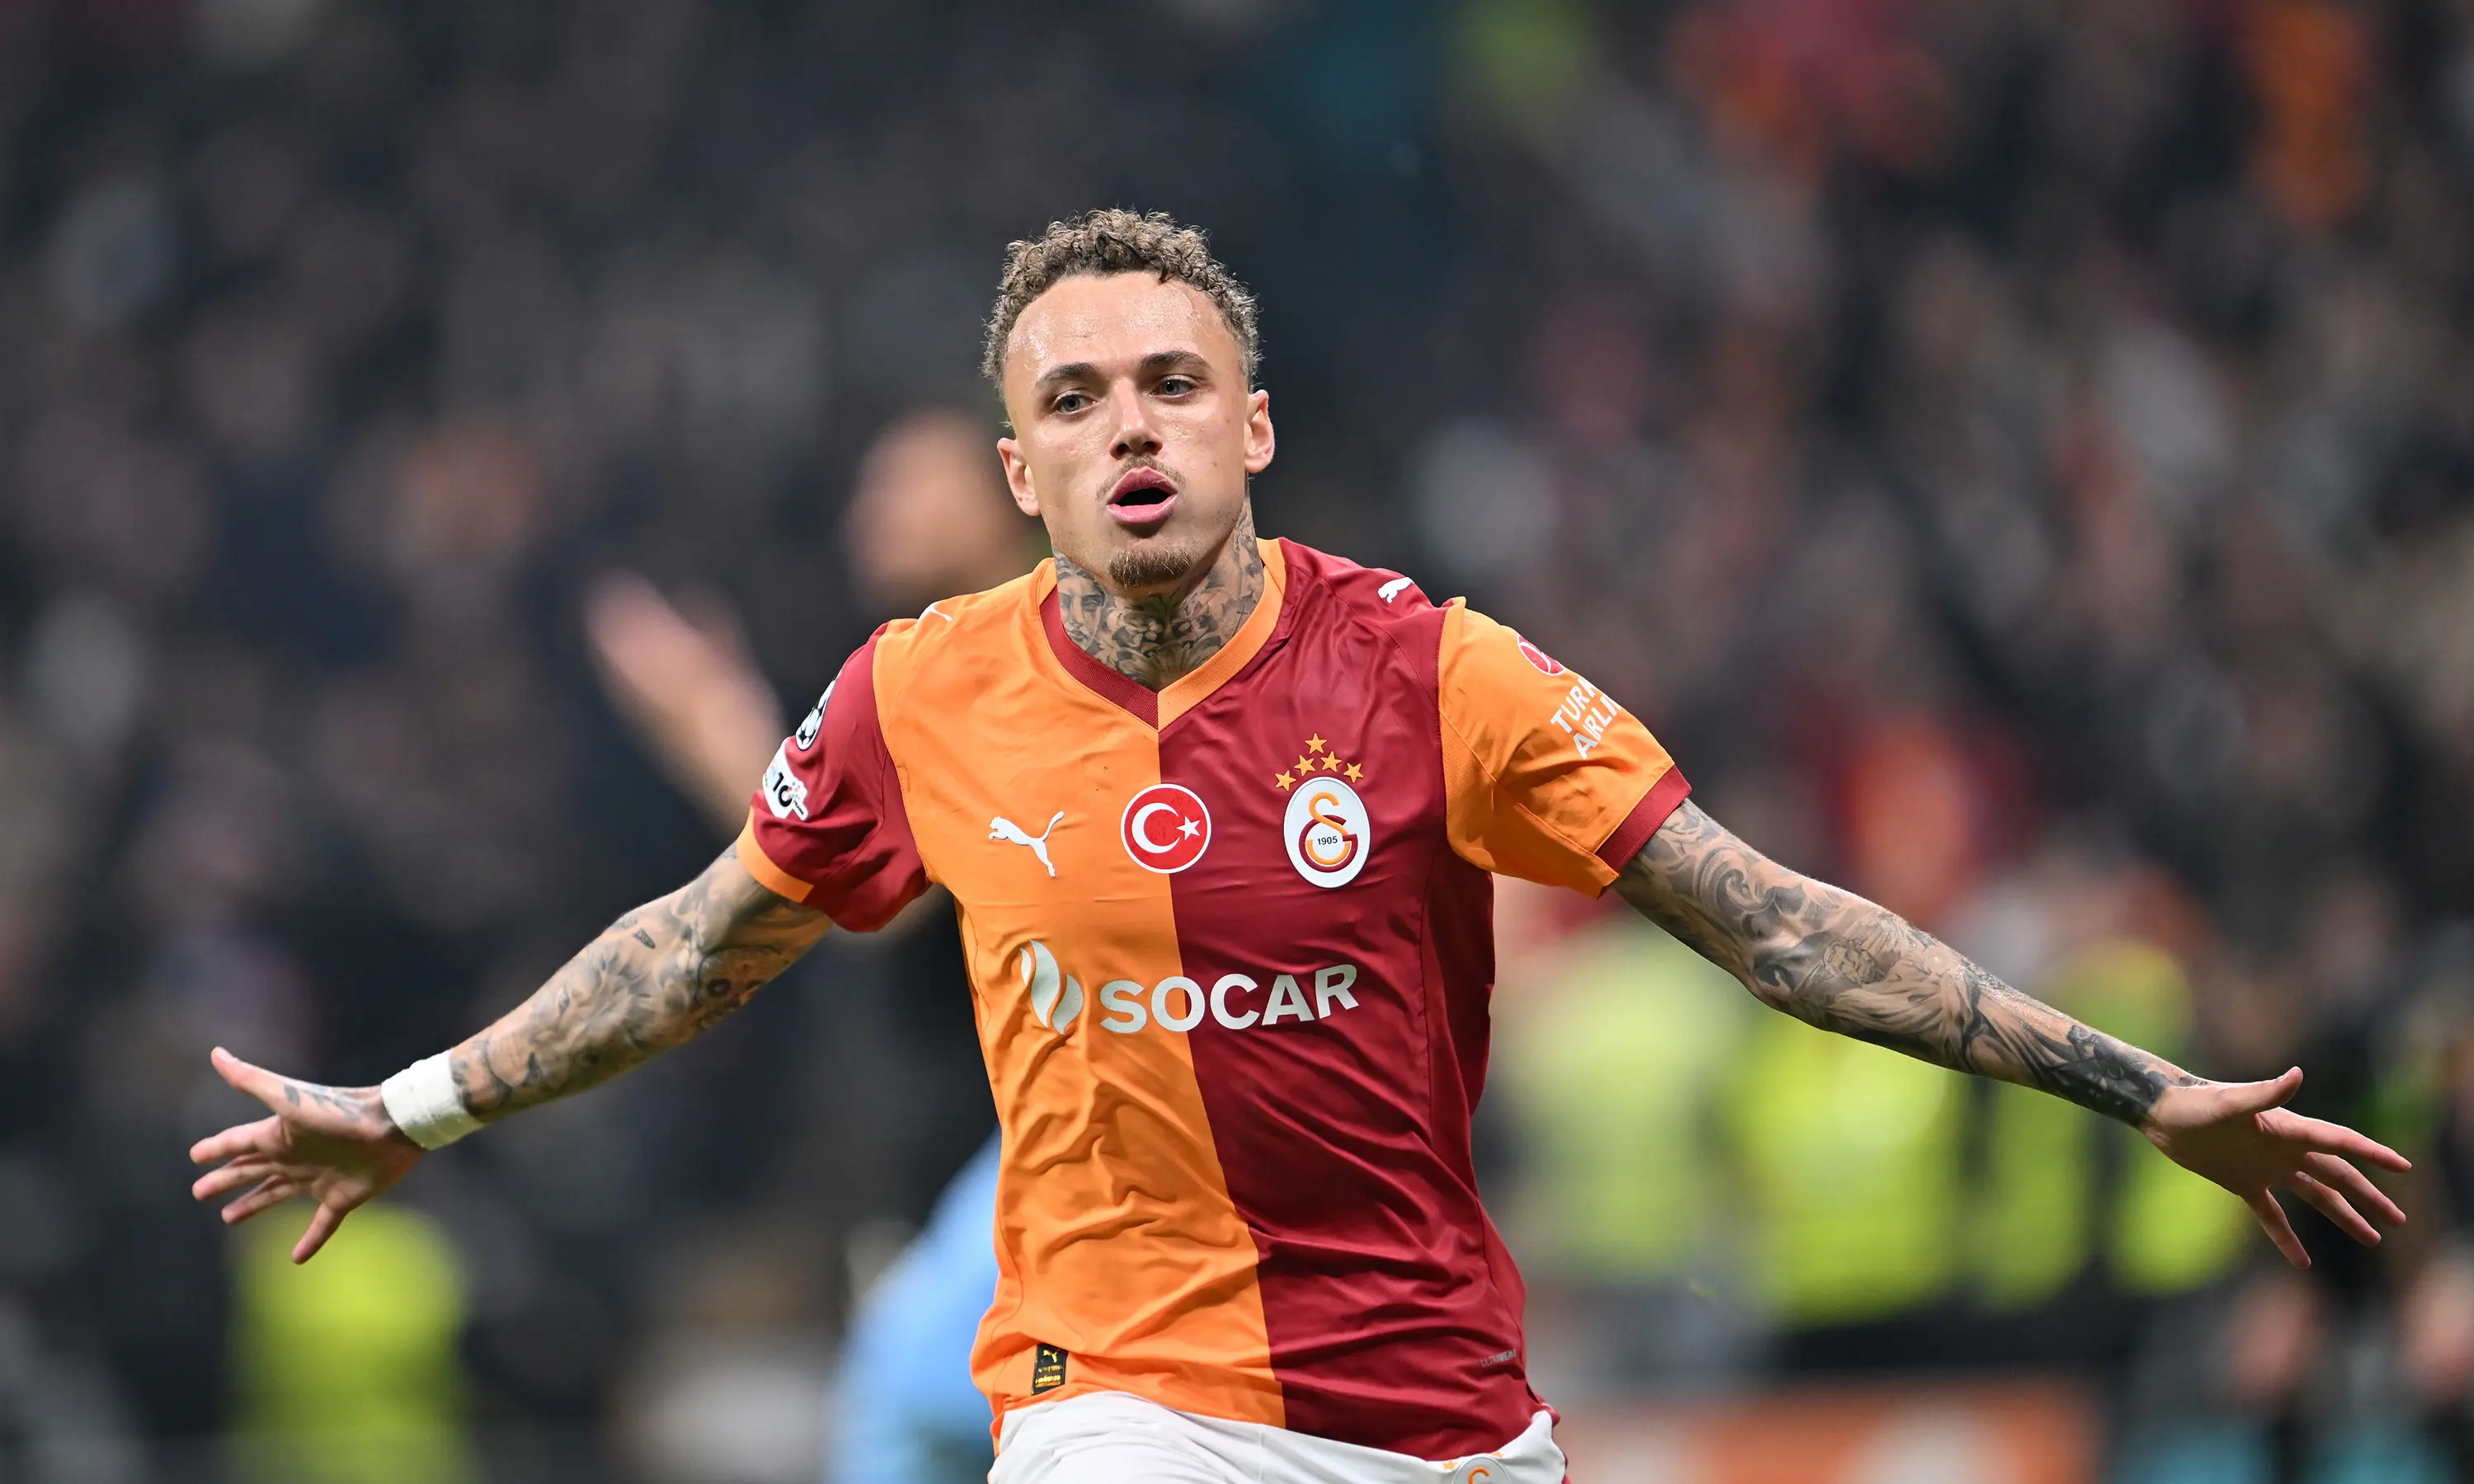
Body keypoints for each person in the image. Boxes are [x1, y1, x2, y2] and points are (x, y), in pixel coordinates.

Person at [189, 209, 2411, 1484]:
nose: (1128, 428)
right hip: (1116, 1403)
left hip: (1436, 1414)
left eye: (1171, 384)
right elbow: (697, 949)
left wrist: (2146, 1096)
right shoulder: (918, 692)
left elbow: (1774, 926)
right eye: (1074, 402)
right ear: (1022, 475)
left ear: (1252, 426)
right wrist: (414, 1106)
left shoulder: (1436, 674)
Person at [581, 407, 1031, 1484]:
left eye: (907, 480)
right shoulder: (913, 674)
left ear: (1014, 483)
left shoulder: (1035, 668)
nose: (871, 509)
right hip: (935, 1177)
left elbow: (872, 892)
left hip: (1033, 1174)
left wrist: (709, 719)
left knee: (904, 1411)